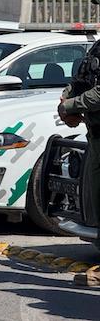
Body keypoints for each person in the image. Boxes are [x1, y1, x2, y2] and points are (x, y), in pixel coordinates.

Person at [58, 41, 100, 287]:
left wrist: (70, 105)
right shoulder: (97, 48)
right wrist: (66, 98)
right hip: (95, 135)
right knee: (95, 202)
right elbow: (81, 80)